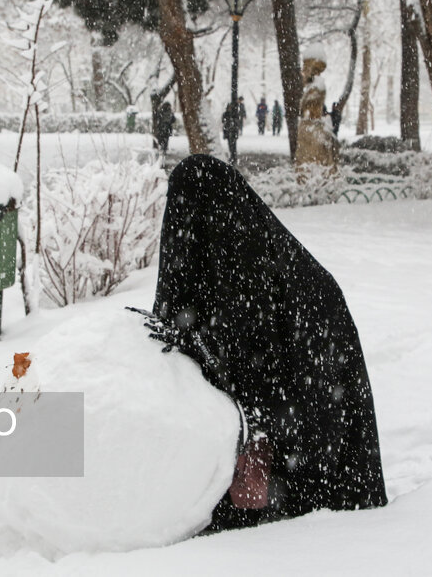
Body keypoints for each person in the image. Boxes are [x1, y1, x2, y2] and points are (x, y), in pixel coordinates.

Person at [145, 155, 388, 532]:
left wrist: (259, 442)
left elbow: (260, 361)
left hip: (312, 405)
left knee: (308, 514)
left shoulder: (264, 276)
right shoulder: (228, 256)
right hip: (292, 399)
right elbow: (180, 324)